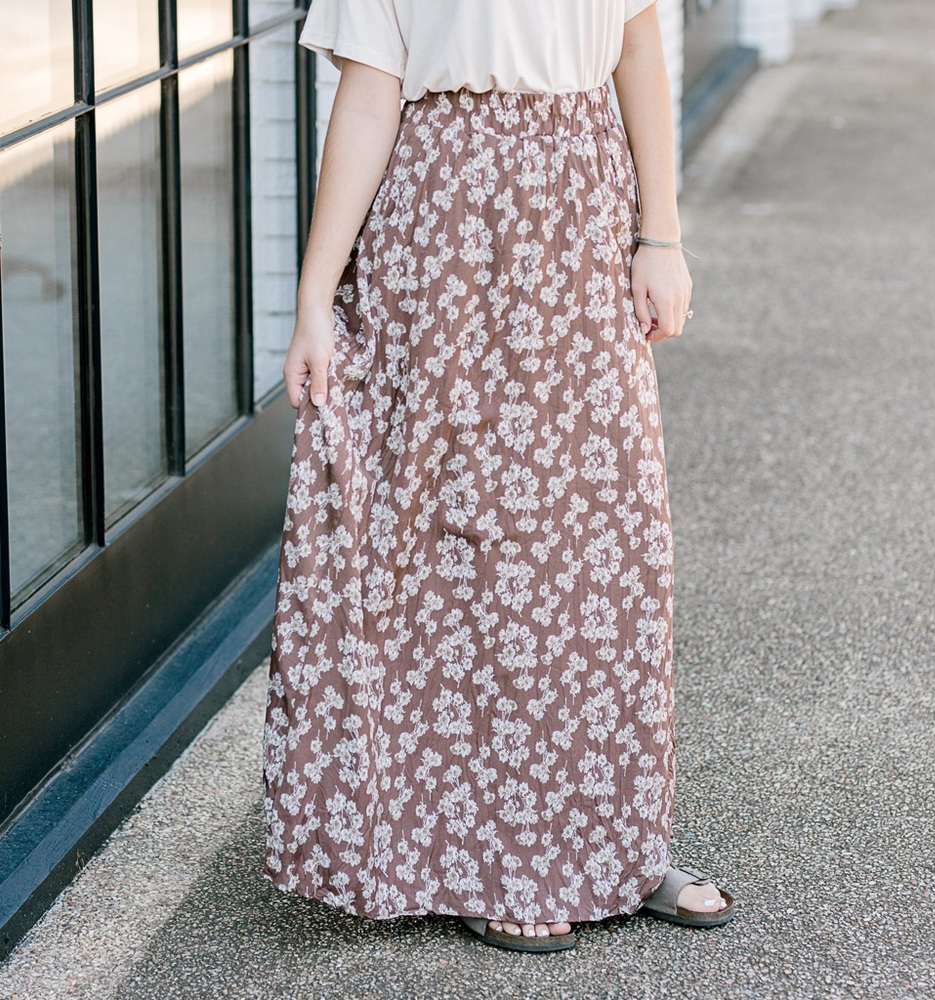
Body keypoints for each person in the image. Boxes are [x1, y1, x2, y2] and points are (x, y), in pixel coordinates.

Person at [261, 0, 735, 953]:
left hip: (582, 211)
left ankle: (614, 848)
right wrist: (316, 298)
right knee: (466, 539)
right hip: (440, 230)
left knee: (605, 534)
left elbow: (639, 41)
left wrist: (663, 234)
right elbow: (368, 96)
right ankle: (493, 856)